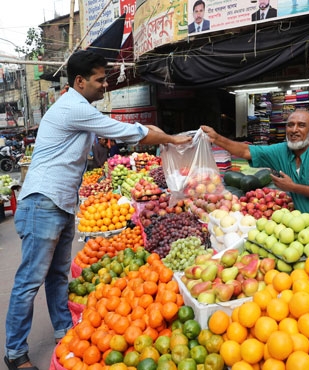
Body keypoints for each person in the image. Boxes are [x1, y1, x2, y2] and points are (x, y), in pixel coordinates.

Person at [4, 50, 192, 370]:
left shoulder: (77, 107)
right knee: (30, 280)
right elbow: (127, 131)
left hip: (60, 203)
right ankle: (15, 352)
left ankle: (66, 331)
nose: (104, 85)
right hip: (43, 203)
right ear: (79, 81)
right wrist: (173, 138)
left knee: (57, 277)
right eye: (99, 79)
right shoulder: (73, 106)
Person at [201, 109, 309, 216]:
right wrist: (217, 138)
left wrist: (292, 187)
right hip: (302, 224)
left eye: (301, 125)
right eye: (290, 125)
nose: (294, 130)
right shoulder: (282, 150)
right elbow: (246, 151)